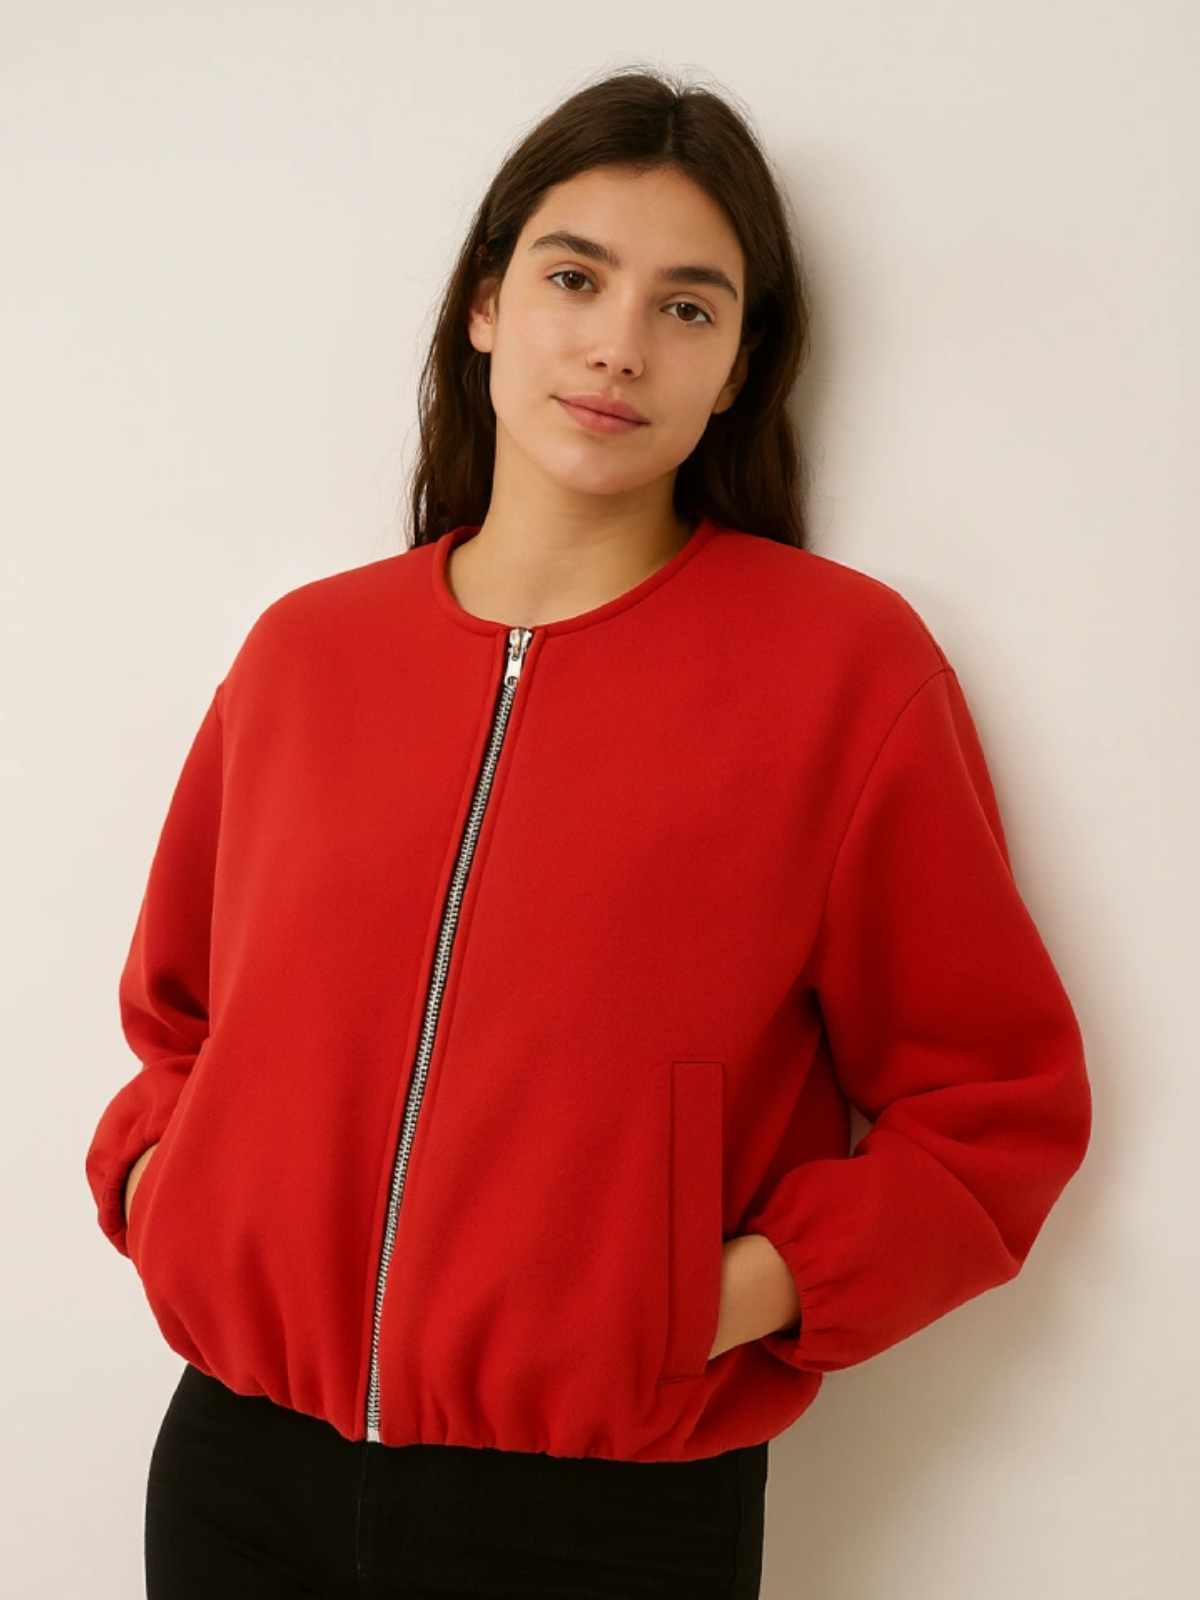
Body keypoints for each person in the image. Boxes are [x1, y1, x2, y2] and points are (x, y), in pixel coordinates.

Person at [85, 64, 1093, 1600]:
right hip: (240, 1471)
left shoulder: (840, 670)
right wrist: (170, 1193)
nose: (621, 344)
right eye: (576, 278)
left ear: (739, 368)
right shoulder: (306, 655)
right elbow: (178, 1025)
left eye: (688, 306)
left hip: (606, 1513)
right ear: (487, 305)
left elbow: (992, 1111)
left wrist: (715, 1298)